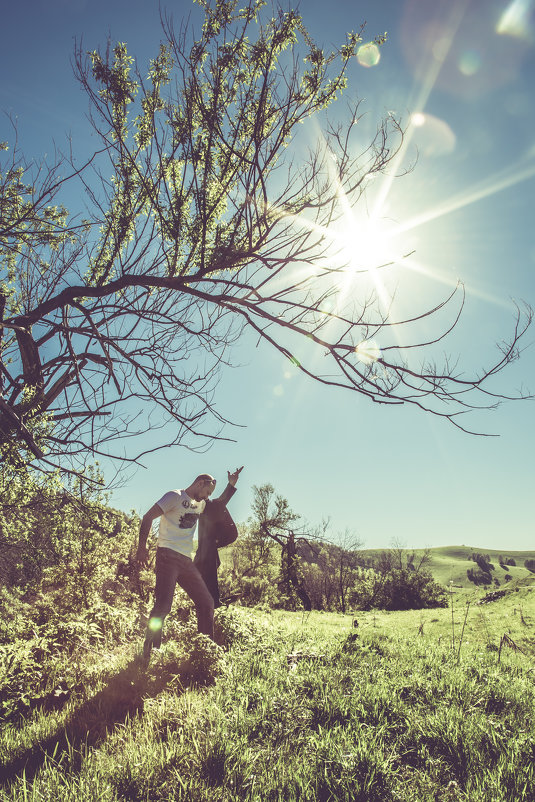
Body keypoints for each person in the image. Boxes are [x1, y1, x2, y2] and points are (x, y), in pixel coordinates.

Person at [136, 467, 243, 659]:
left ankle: (204, 653)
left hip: (186, 561)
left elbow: (219, 504)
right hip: (167, 556)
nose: (207, 497)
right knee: (163, 606)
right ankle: (150, 650)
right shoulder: (174, 497)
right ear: (200, 483)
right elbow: (147, 517)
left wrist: (231, 485)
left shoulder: (200, 505)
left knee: (206, 602)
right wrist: (142, 548)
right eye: (207, 492)